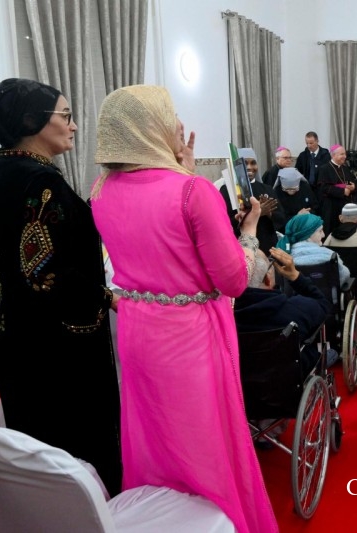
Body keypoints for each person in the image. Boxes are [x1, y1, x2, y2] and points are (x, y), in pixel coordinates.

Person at [91, 84, 277, 533]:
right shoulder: (194, 192)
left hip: (137, 332)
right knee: (204, 445)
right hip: (190, 336)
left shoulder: (101, 189)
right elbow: (232, 279)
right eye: (170, 116)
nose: (179, 125)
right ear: (150, 127)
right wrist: (249, 233)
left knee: (155, 437)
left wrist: (178, 170)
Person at [0, 78, 122, 496]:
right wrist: (109, 297)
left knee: (38, 440)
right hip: (59, 343)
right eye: (65, 116)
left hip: (16, 334)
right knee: (76, 443)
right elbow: (45, 273)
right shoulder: (39, 181)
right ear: (33, 121)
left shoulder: (1, 173)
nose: (72, 126)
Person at [234, 248, 331, 374]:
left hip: (244, 383)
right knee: (329, 353)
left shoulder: (225, 318)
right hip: (291, 379)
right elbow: (323, 304)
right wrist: (295, 276)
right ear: (267, 279)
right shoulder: (296, 309)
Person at [219, 147, 285, 253]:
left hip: (267, 246)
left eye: (253, 163)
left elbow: (281, 219)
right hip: (240, 248)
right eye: (245, 163)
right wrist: (256, 213)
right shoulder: (227, 190)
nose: (249, 167)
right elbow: (222, 222)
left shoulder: (267, 189)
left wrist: (269, 214)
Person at [278, 213, 352, 292]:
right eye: (320, 231)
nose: (323, 235)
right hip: (326, 302)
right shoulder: (329, 256)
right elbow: (344, 277)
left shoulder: (284, 257)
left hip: (294, 302)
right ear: (308, 234)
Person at [316, 144, 357, 237]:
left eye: (345, 154)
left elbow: (352, 182)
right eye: (341, 154)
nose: (345, 156)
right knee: (331, 230)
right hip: (331, 206)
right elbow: (323, 188)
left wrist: (353, 187)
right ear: (333, 155)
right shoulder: (324, 169)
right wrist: (342, 192)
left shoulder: (345, 168)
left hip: (344, 205)